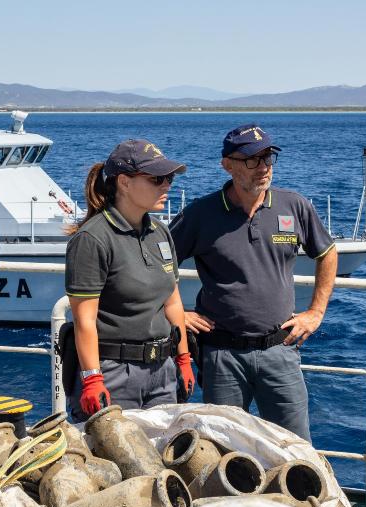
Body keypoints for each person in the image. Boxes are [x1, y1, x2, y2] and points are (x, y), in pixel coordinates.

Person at [169, 124, 337, 442]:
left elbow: (327, 253)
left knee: (295, 447)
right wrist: (178, 314)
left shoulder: (294, 206)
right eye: (251, 159)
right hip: (222, 355)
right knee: (223, 448)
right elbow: (160, 263)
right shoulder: (201, 214)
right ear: (227, 165)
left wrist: (316, 311)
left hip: (281, 350)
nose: (263, 167)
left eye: (268, 158)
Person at [65, 139, 194, 422]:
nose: (167, 185)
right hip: (113, 375)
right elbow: (84, 320)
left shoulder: (160, 232)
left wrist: (183, 359)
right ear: (124, 182)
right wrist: (91, 379)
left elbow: (172, 302)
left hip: (162, 372)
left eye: (169, 178)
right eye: (157, 179)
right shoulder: (93, 239)